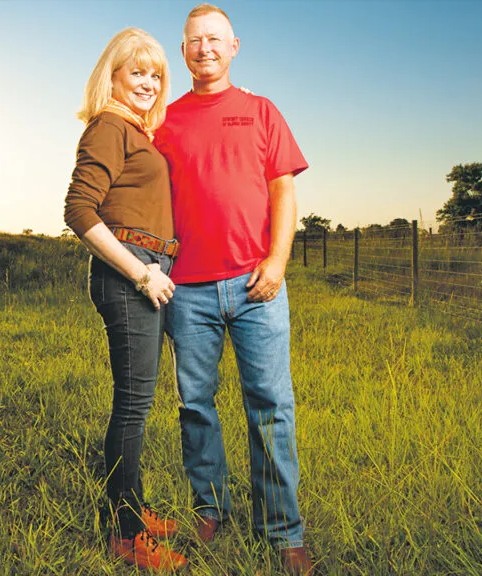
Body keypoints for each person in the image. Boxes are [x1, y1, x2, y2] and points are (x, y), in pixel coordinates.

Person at [152, 4, 313, 574]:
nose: (205, 49)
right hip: (186, 290)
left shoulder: (261, 111)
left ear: (235, 45)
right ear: (184, 48)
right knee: (196, 406)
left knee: (271, 406)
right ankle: (209, 510)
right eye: (195, 40)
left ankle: (284, 531)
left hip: (255, 284)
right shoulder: (164, 122)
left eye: (215, 39)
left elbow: (283, 194)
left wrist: (278, 261)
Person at [63, 27, 187, 572]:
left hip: (148, 267)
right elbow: (78, 211)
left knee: (137, 403)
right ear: (111, 75)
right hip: (132, 274)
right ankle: (125, 533)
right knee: (133, 407)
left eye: (156, 75)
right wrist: (142, 274)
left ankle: (131, 505)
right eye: (136, 71)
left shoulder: (136, 131)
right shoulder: (109, 127)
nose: (148, 82)